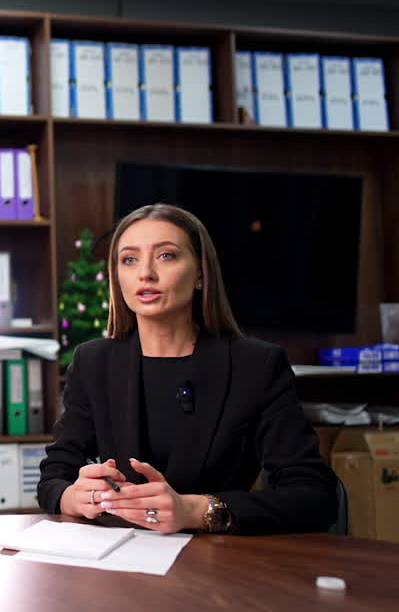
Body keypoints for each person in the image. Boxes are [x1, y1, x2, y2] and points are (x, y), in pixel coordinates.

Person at [37, 203, 338, 535]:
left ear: (199, 274)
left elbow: (313, 496)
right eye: (129, 259)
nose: (145, 273)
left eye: (166, 255)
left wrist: (196, 510)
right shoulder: (94, 362)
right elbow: (53, 477)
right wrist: (73, 497)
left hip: (217, 563)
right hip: (121, 558)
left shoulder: (257, 365)